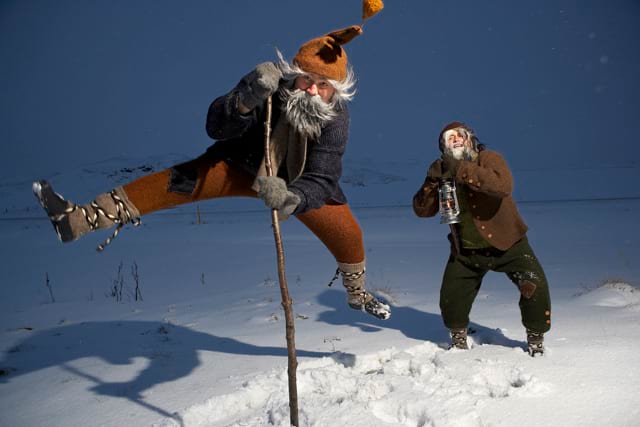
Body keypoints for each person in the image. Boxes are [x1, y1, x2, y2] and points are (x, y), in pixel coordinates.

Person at [32, 24, 391, 321]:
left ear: (335, 91)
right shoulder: (266, 84)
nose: (312, 90)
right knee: (175, 182)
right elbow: (216, 126)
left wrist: (294, 197)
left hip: (297, 186)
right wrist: (246, 98)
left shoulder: (336, 120)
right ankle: (79, 220)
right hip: (240, 165)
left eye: (323, 85)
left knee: (349, 235)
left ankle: (357, 295)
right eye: (306, 80)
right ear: (294, 75)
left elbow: (324, 174)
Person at [412, 122, 551, 356]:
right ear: (442, 146)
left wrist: (461, 169)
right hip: (466, 251)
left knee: (534, 287)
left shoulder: (488, 158)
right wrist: (431, 182)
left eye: (460, 135)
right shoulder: (444, 171)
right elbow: (422, 211)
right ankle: (458, 339)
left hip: (509, 244)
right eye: (449, 138)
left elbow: (502, 186)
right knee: (451, 298)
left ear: (471, 139)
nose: (455, 139)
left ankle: (535, 338)